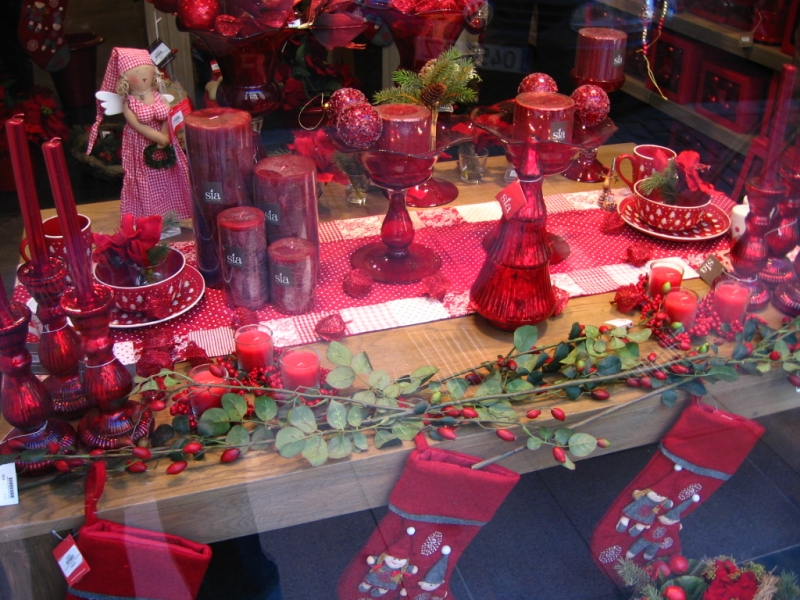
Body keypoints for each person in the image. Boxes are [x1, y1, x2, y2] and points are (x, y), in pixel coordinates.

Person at [88, 47, 192, 220]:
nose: (144, 77)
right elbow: (137, 125)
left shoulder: (158, 96)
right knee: (146, 179)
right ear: (125, 80)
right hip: (142, 144)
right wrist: (158, 137)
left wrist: (165, 135)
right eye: (137, 73)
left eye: (147, 71)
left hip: (165, 141)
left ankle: (175, 214)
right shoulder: (130, 102)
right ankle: (150, 217)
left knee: (169, 175)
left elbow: (168, 114)